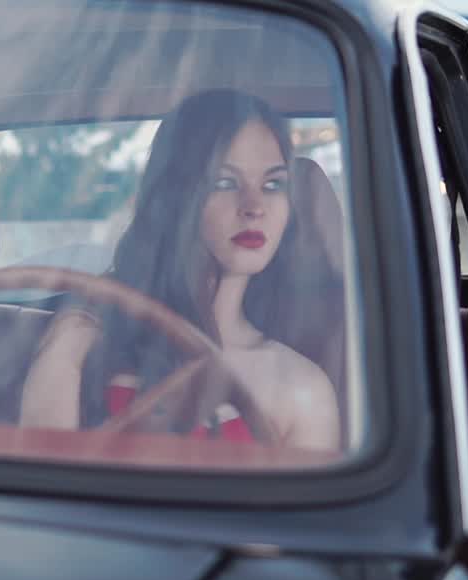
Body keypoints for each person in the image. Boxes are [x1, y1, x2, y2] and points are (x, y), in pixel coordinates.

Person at [19, 89, 340, 451]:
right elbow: (42, 471)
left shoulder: (303, 388)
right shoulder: (87, 334)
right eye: (225, 182)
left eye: (272, 185)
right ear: (178, 196)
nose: (254, 207)